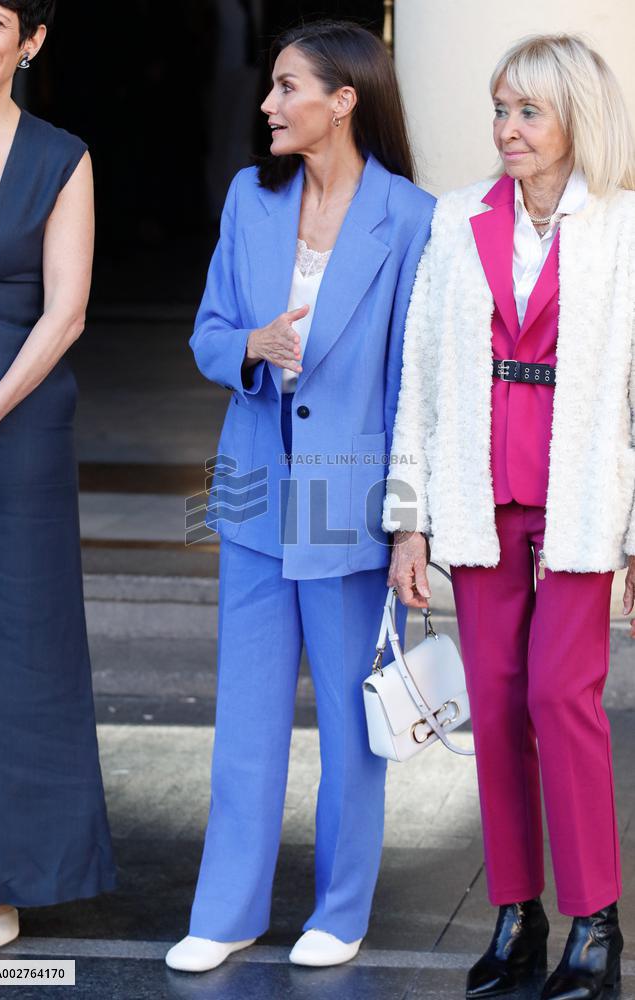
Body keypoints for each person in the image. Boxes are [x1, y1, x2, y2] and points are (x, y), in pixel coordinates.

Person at [166, 19, 435, 973]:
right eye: (273, 88)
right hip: (248, 482)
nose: (269, 105)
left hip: (350, 493)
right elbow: (206, 332)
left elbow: (415, 386)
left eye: (287, 88)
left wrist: (410, 522)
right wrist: (250, 346)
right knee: (243, 709)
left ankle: (341, 909)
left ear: (343, 100)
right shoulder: (250, 197)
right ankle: (226, 910)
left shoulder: (410, 217)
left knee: (352, 721)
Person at [385, 32, 635, 1000]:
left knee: (557, 700)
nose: (507, 129)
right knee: (490, 705)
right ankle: (514, 912)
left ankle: (594, 920)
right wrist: (408, 519)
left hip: (579, 498)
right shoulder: (458, 221)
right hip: (475, 497)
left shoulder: (620, 229)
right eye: (498, 109)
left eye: (527, 110)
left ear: (577, 117)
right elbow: (420, 379)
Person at [0, 0, 116, 952]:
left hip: (13, 426)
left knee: (12, 646)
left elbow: (64, 315)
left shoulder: (62, 155)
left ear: (30, 41)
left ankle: (0, 881)